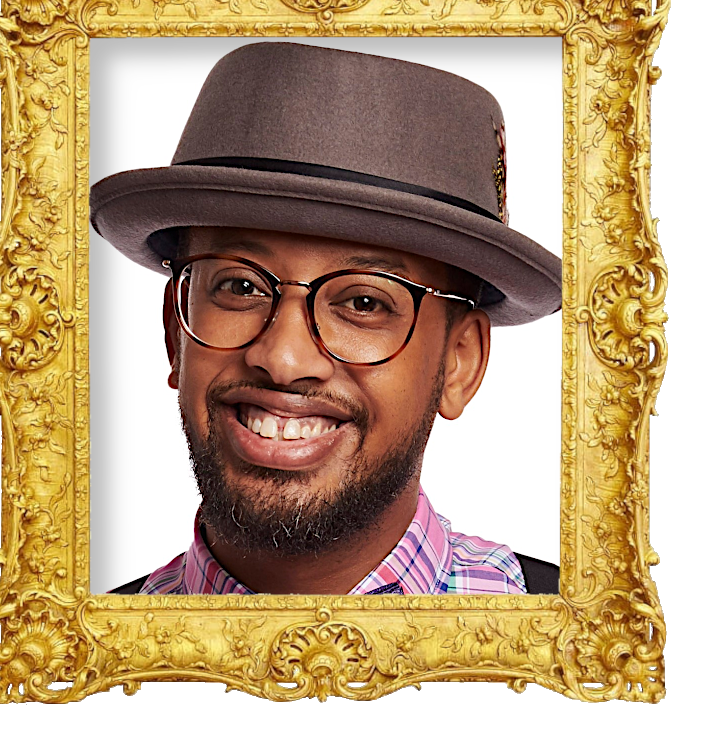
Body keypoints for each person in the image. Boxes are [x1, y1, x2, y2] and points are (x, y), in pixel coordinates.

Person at [90, 42, 561, 596]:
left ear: (459, 365)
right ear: (176, 330)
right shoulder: (78, 659)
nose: (284, 358)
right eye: (240, 287)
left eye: (364, 303)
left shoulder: (586, 649)